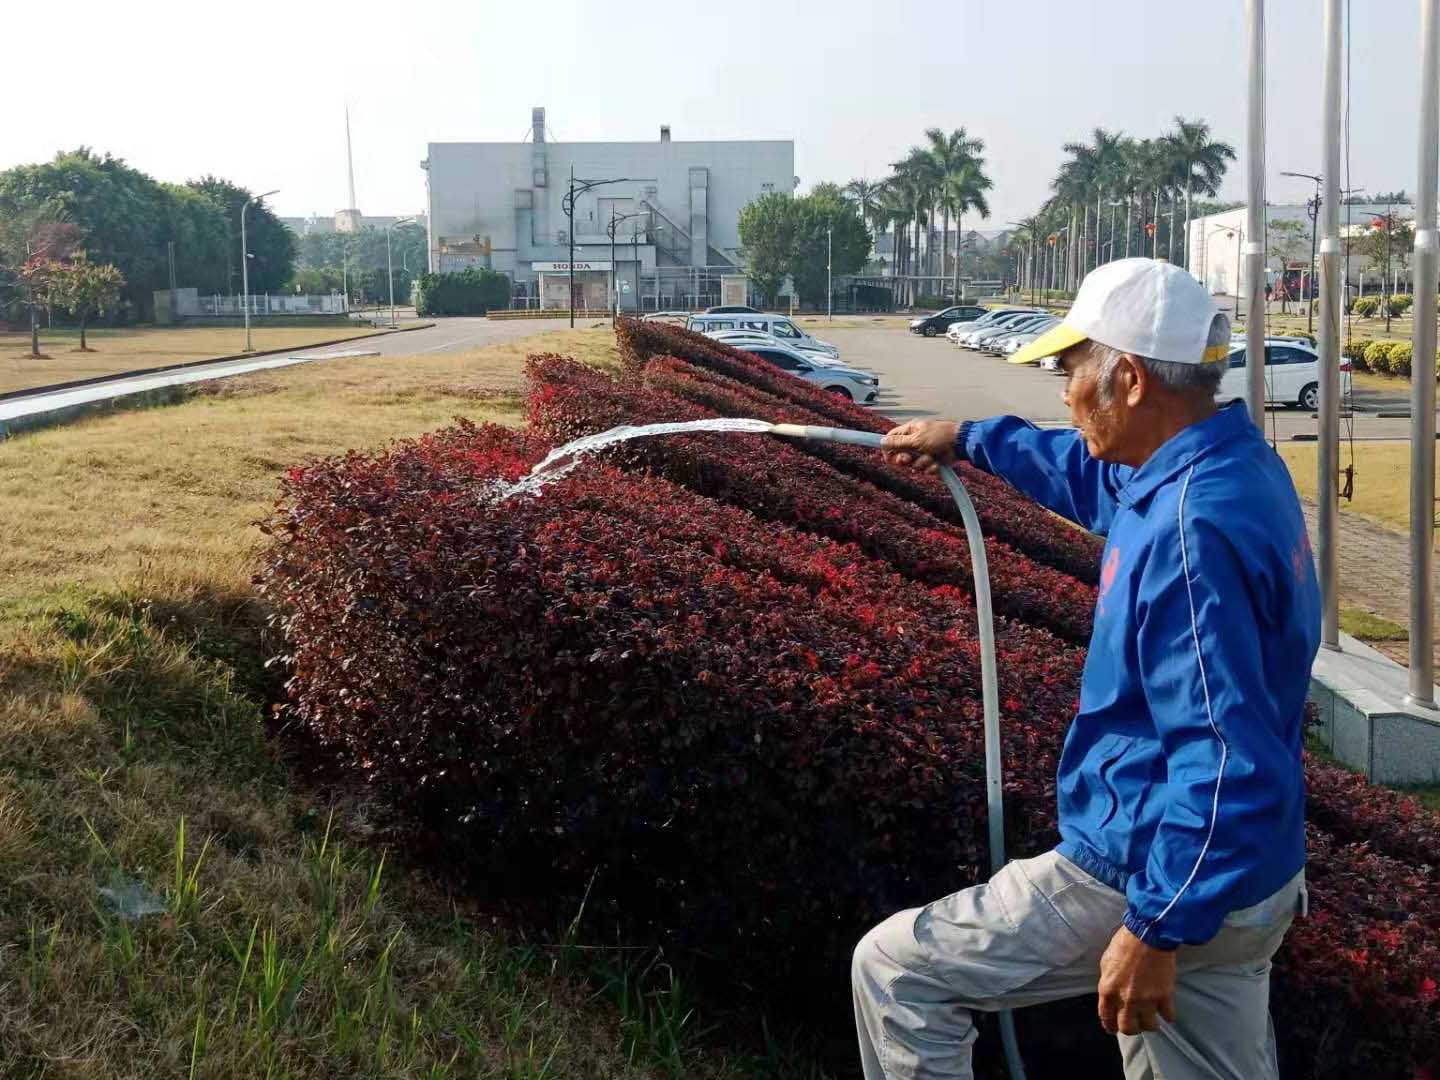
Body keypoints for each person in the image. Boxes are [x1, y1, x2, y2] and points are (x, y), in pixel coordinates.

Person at [857, 258, 1319, 1080]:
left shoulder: (1189, 533)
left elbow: (1222, 758)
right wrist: (966, 439)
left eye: (1073, 370)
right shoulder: (1219, 469)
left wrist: (1156, 925)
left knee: (899, 971)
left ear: (1130, 379)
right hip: (1252, 880)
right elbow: (1086, 473)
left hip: (1151, 863)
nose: (1065, 392)